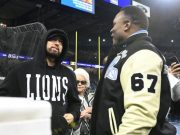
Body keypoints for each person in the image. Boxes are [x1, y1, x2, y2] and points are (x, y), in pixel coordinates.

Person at [90, 6, 176, 135]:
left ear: (126, 25)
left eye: (114, 24)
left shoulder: (143, 54)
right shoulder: (128, 52)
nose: (111, 29)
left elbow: (140, 115)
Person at [0, 28, 81, 135]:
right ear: (44, 42)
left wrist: (73, 114)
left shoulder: (69, 74)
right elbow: (4, 98)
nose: (57, 43)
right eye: (53, 39)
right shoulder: (21, 69)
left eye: (61, 42)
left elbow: (75, 102)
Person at [70, 68, 92, 135]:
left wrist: (88, 115)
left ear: (86, 84)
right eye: (77, 82)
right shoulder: (68, 97)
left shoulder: (92, 97)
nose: (79, 84)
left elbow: (100, 116)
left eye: (83, 82)